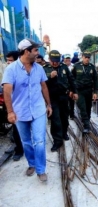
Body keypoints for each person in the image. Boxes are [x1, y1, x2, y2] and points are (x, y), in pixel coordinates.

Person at [2, 38, 52, 182]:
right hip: (20, 111)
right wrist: (10, 112)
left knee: (39, 141)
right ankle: (32, 164)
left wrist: (48, 105)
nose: (38, 53)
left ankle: (41, 170)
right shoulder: (11, 70)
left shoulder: (39, 68)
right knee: (26, 142)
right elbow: (7, 91)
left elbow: (43, 87)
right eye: (35, 50)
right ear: (26, 51)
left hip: (38, 110)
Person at [43, 50, 78, 152]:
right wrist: (50, 77)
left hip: (64, 96)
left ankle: (64, 133)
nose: (55, 63)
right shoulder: (44, 69)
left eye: (57, 61)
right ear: (49, 60)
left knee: (64, 117)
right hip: (52, 98)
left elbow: (71, 80)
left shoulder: (64, 67)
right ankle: (57, 141)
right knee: (55, 119)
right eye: (53, 61)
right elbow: (41, 84)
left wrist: (74, 91)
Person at [3, 51, 24, 161]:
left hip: (22, 105)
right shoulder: (7, 71)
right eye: (7, 60)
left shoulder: (23, 71)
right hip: (11, 105)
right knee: (16, 129)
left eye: (10, 60)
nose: (8, 62)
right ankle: (19, 150)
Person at [72, 51, 98, 134]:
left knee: (88, 107)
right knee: (82, 107)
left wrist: (95, 92)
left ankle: (87, 120)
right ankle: (86, 126)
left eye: (88, 58)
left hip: (88, 90)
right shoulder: (76, 66)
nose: (87, 59)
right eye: (85, 57)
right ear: (82, 57)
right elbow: (71, 79)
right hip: (79, 91)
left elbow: (95, 80)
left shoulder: (92, 67)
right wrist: (72, 91)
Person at [64, 54, 75, 119]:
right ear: (64, 59)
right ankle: (66, 114)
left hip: (71, 85)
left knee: (71, 101)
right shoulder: (61, 66)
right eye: (66, 59)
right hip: (64, 86)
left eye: (69, 59)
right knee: (65, 101)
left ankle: (72, 114)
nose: (67, 60)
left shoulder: (73, 66)